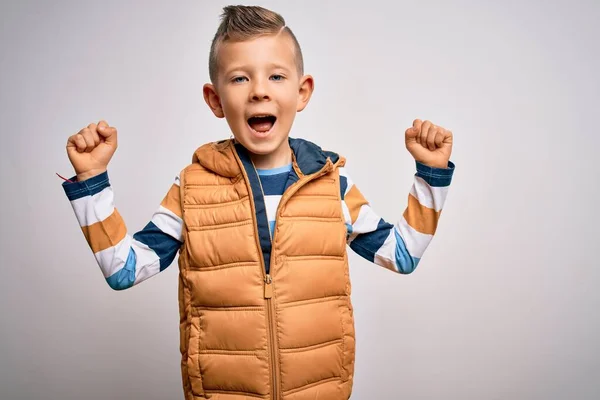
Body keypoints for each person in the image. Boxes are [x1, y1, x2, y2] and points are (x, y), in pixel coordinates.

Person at [60, 5, 455, 400]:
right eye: (240, 78)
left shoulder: (331, 185)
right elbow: (123, 270)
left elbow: (402, 255)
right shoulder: (192, 189)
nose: (260, 90)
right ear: (215, 100)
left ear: (302, 92)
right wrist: (92, 182)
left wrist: (430, 175)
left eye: (276, 76)